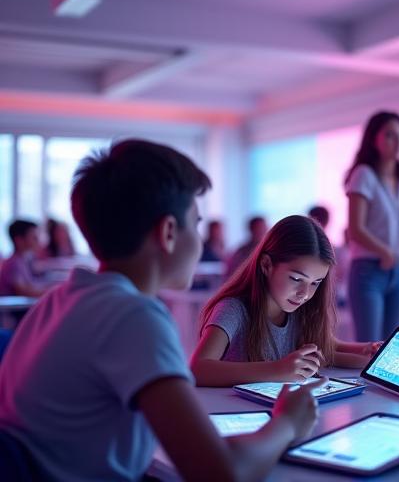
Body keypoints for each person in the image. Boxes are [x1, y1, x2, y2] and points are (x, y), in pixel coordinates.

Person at [0, 139, 324, 481]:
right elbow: (221, 473)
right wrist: (287, 423)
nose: (201, 242)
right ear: (169, 232)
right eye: (196, 224)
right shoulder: (133, 318)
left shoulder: (57, 300)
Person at [191, 215, 382, 387]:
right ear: (266, 265)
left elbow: (326, 348)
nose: (305, 294)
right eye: (297, 279)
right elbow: (198, 369)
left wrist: (365, 351)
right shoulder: (233, 309)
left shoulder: (300, 311)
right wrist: (277, 370)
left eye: (315, 283)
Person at [344, 111, 399, 342]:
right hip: (369, 269)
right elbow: (355, 228)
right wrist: (385, 252)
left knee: (393, 346)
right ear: (374, 139)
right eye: (390, 136)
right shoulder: (364, 174)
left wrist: (395, 256)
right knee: (370, 346)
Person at [0, 219, 46, 297]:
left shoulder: (24, 260)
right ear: (19, 240)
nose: (38, 241)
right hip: (16, 308)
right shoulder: (13, 264)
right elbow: (24, 292)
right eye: (34, 238)